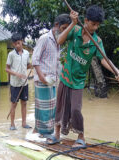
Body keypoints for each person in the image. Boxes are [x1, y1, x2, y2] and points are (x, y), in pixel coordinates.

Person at [54, 5, 119, 147]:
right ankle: (56, 134)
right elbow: (59, 41)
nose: (95, 28)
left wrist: (117, 71)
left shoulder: (97, 42)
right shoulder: (75, 30)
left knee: (75, 109)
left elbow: (104, 59)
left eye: (98, 25)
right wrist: (73, 23)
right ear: (85, 20)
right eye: (93, 24)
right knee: (60, 106)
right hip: (65, 77)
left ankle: (81, 137)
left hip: (79, 81)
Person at [32, 14, 71, 144]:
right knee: (43, 109)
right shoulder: (44, 39)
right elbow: (35, 59)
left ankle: (40, 131)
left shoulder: (58, 42)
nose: (64, 31)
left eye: (67, 29)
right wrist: (42, 77)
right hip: (43, 79)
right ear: (56, 26)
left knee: (51, 108)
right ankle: (45, 133)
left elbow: (58, 62)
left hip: (53, 80)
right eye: (63, 28)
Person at [6, 33, 32, 130]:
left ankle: (24, 123)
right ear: (13, 44)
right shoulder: (11, 54)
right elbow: (7, 69)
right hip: (15, 84)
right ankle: (12, 124)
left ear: (22, 41)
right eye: (15, 44)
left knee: (24, 103)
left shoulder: (26, 53)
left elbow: (28, 65)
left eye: (19, 43)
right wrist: (16, 74)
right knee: (14, 104)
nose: (17, 45)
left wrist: (32, 66)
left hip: (24, 83)